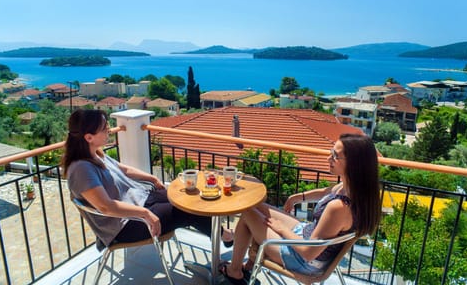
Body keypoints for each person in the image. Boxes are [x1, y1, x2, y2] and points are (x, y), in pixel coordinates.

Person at [220, 133, 381, 284]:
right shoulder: (357, 190)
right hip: (306, 235)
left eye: (335, 156)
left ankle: (235, 271)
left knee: (248, 212)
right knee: (255, 205)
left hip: (303, 259)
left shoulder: (339, 208)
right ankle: (247, 265)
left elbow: (308, 252)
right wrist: (298, 197)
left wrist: (282, 229)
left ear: (353, 164)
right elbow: (326, 192)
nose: (328, 158)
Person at [63, 109, 234, 248]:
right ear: (88, 137)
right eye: (104, 128)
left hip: (140, 200)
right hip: (124, 226)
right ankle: (224, 236)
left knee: (187, 196)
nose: (109, 130)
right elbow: (106, 207)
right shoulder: (81, 169)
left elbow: (124, 170)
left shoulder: (96, 154)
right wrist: (146, 214)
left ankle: (221, 234)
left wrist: (152, 178)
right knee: (187, 210)